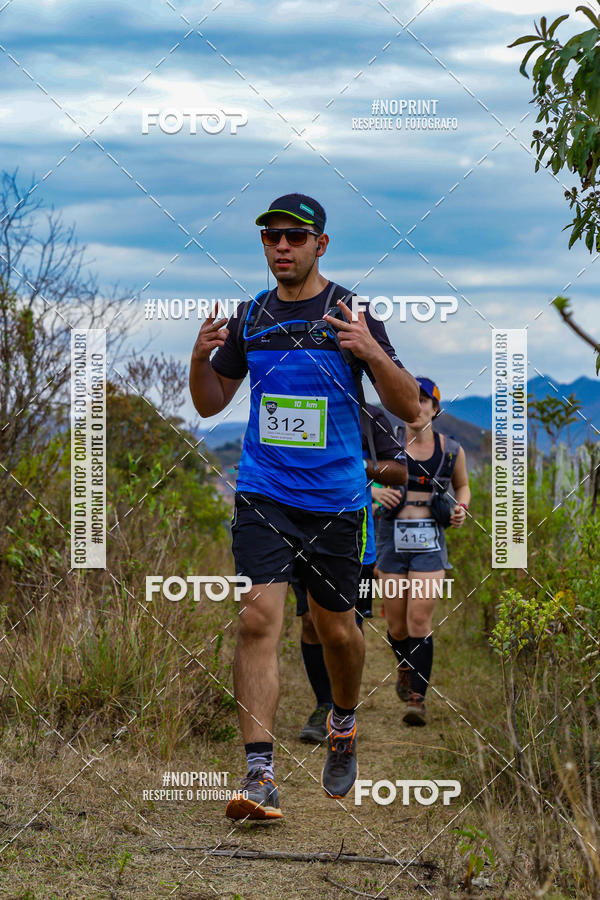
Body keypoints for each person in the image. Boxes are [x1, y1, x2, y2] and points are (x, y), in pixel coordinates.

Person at [189, 192, 420, 819]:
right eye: (272, 238)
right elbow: (211, 404)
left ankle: (343, 721)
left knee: (335, 629)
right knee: (257, 621)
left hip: (336, 503)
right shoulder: (252, 315)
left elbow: (408, 408)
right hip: (264, 493)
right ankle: (258, 776)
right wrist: (197, 360)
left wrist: (370, 351)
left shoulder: (353, 312)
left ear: (320, 244)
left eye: (295, 237)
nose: (282, 247)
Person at [292, 403, 407, 743]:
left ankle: (343, 712)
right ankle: (323, 704)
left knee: (346, 629)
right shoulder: (295, 403)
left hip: (355, 540)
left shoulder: (369, 416)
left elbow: (397, 469)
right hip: (299, 530)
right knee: (311, 622)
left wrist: (362, 471)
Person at [375, 377, 470, 726]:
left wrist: (461, 508)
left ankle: (417, 698)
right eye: (410, 400)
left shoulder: (451, 451)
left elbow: (462, 487)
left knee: (419, 620)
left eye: (424, 401)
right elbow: (360, 475)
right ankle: (403, 665)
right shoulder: (387, 445)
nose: (417, 407)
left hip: (430, 541)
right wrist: (373, 493)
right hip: (391, 541)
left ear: (435, 408)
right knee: (398, 625)